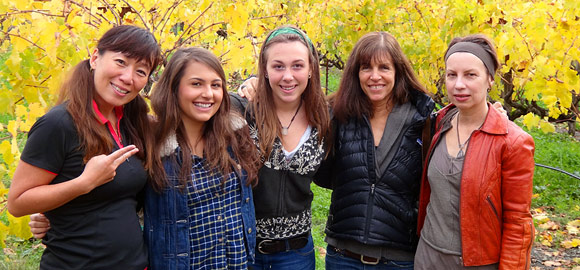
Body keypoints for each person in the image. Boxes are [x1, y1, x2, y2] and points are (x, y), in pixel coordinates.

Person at [7, 25, 162, 269]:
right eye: (121, 62)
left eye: (141, 71)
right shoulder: (59, 124)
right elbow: (17, 203)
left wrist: (243, 92)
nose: (128, 77)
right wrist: (83, 183)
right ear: (95, 58)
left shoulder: (133, 123)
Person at [313, 31, 434, 269]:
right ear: (355, 73)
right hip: (343, 257)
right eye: (366, 67)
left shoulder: (423, 119)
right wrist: (251, 87)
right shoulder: (337, 115)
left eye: (384, 68)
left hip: (398, 260)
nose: (375, 76)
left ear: (397, 71)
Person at [415, 34, 535, 269]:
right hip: (427, 257)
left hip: (476, 263)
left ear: (490, 79)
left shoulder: (512, 142)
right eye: (452, 75)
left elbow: (518, 223)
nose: (459, 84)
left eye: (470, 75)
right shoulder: (437, 124)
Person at [144, 47, 261, 269]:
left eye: (215, 85)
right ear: (174, 88)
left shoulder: (234, 138)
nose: (208, 94)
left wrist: (253, 81)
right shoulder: (154, 147)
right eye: (196, 84)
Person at [230, 25, 331, 270]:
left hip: (295, 254)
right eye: (278, 66)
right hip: (243, 249)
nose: (288, 76)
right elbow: (198, 101)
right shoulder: (242, 110)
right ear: (265, 70)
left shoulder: (326, 119)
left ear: (310, 70)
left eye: (297, 65)